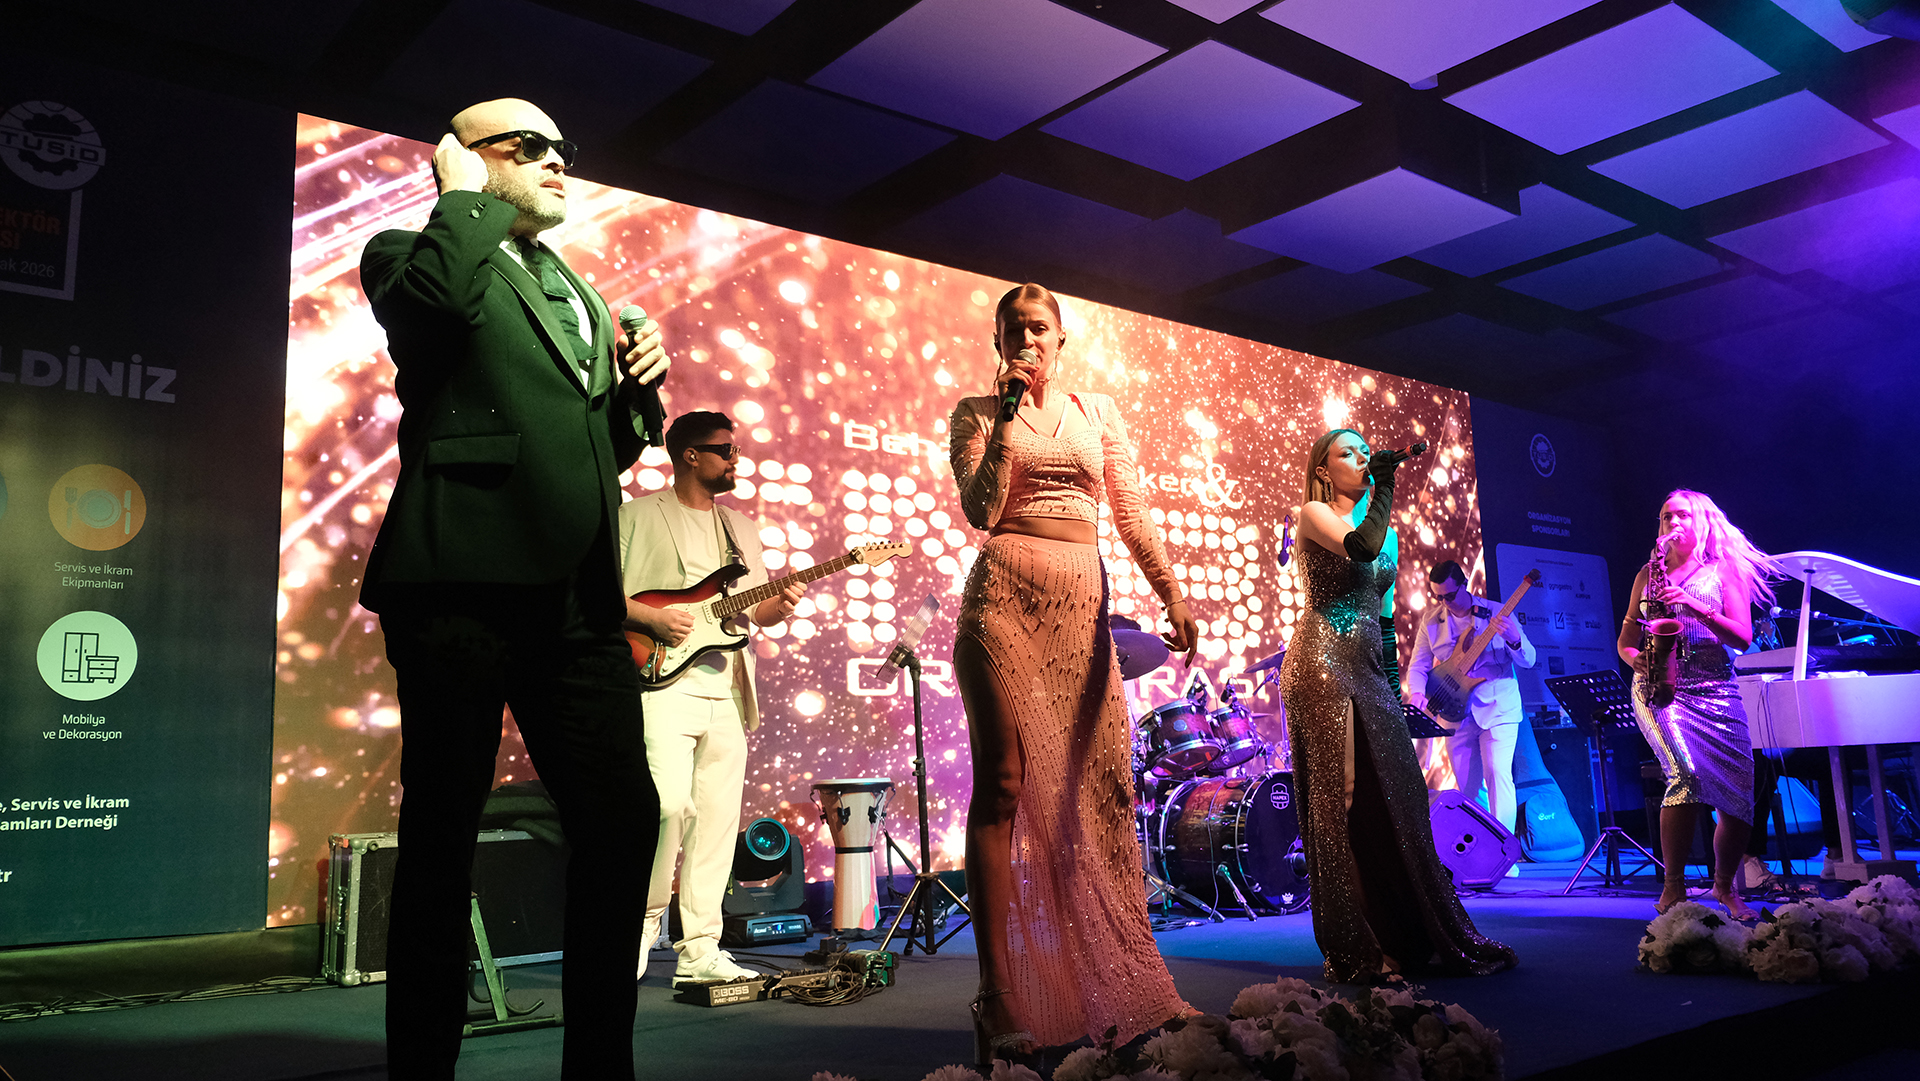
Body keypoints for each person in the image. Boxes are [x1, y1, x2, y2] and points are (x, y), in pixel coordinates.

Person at [358, 98, 669, 1080]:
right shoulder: (411, 249)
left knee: (625, 820)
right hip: (458, 586)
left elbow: (595, 447)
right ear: (465, 158)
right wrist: (461, 198)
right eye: (529, 148)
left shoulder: (582, 291)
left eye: (563, 149)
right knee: (441, 838)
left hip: (576, 598)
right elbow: (431, 312)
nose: (556, 162)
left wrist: (639, 391)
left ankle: (600, 1069)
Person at [948, 283, 1199, 1064]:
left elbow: (1131, 511)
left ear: (1061, 339)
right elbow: (982, 509)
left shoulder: (1098, 413)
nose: (1027, 340)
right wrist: (1002, 422)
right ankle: (997, 993)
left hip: (1081, 612)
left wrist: (1171, 592)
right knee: (1003, 783)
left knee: (1100, 790)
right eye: (1013, 330)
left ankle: (1120, 978)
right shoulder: (975, 413)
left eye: (1039, 328)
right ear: (998, 342)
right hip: (1002, 602)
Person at [1278, 430, 1516, 984]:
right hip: (1321, 662)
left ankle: (1409, 931)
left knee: (1398, 794)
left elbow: (1384, 619)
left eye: (1366, 451)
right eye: (1348, 453)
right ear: (1322, 469)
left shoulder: (1387, 534)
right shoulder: (1313, 513)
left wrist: (1390, 687)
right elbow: (1358, 547)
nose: (1362, 458)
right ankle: (1360, 942)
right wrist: (1383, 485)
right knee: (1344, 797)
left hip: (1366, 668)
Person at [617, 411, 804, 985]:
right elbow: (596, 593)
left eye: (736, 448)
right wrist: (651, 618)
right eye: (724, 450)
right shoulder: (635, 515)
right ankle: (642, 921)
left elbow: (754, 610)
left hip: (725, 689)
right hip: (661, 683)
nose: (735, 458)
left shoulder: (740, 528)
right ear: (690, 455)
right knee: (666, 807)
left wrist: (780, 605)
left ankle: (700, 947)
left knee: (718, 821)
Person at [1617, 489, 1781, 919]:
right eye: (1666, 516)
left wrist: (1692, 604)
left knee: (1739, 792)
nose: (1673, 523)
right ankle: (1674, 887)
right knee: (1685, 775)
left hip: (1717, 688)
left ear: (1702, 521)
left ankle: (1724, 888)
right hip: (1660, 689)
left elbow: (1742, 638)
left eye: (1682, 515)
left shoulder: (1725, 571)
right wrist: (1639, 662)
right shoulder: (1647, 574)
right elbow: (1626, 640)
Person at [1406, 560, 1537, 835]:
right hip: (1453, 710)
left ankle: (1504, 848)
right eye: (1438, 597)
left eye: (1450, 595)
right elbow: (1418, 665)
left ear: (1464, 585)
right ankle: (1481, 846)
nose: (1445, 603)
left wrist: (1514, 639)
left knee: (1498, 774)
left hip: (1497, 707)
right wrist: (1417, 692)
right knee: (1468, 787)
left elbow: (1529, 660)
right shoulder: (1431, 621)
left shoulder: (1498, 612)